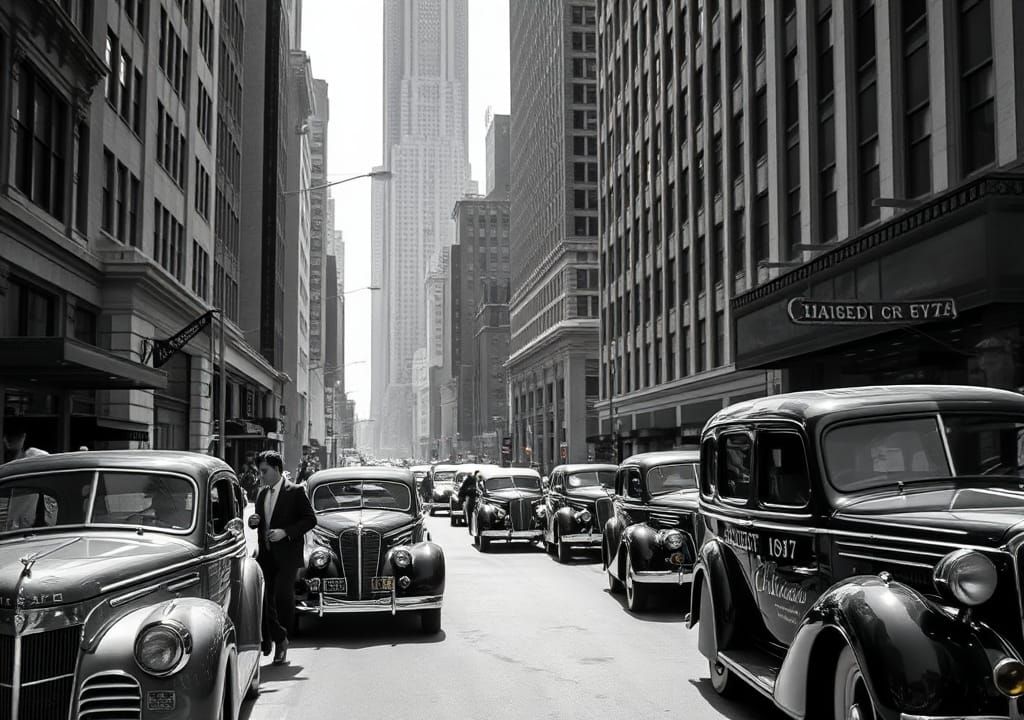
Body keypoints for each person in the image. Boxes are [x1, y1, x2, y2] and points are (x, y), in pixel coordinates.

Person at [251, 450, 315, 665]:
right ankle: (275, 637)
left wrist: (285, 532)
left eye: (264, 471)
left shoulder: (295, 491)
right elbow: (261, 522)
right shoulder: (261, 493)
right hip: (266, 554)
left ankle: (281, 640)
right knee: (263, 599)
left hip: (287, 555)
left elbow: (310, 519)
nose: (261, 476)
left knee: (280, 597)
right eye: (259, 472)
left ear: (277, 469)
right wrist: (254, 521)